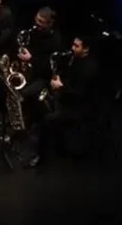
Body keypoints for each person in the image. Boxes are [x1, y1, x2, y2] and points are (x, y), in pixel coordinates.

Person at [29, 36, 99, 168]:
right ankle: (57, 145)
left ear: (86, 49)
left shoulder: (90, 68)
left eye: (77, 46)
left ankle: (40, 156)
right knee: (39, 109)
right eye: (73, 44)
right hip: (69, 99)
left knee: (47, 119)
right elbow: (69, 78)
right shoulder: (75, 59)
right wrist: (58, 78)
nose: (72, 48)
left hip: (81, 108)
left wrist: (61, 87)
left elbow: (80, 93)